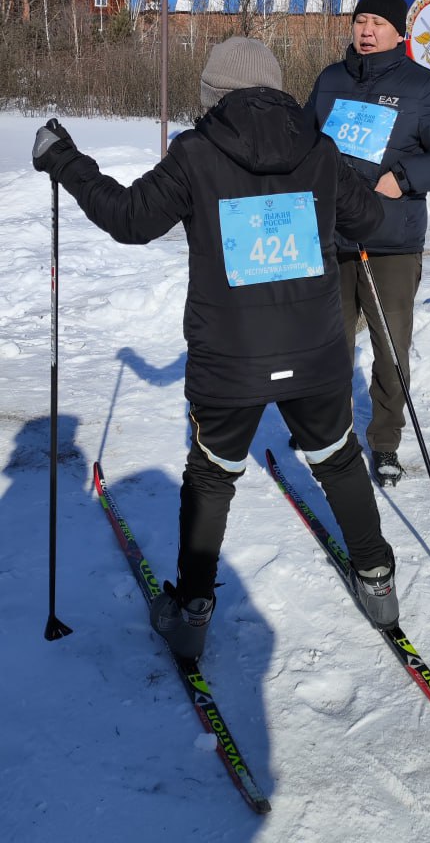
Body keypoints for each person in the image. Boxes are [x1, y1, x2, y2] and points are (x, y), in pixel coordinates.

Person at [32, 36, 399, 659]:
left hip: (230, 360)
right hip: (314, 353)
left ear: (213, 95)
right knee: (336, 458)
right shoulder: (319, 147)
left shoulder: (197, 151)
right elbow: (371, 222)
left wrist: (64, 160)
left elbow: (127, 218)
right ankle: (378, 581)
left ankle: (193, 612)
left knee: (210, 474)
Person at [306, 0, 430, 488]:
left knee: (389, 348)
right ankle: (329, 431)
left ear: (400, 32)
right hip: (332, 236)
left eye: (378, 23)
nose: (366, 30)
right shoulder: (330, 79)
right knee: (326, 341)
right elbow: (302, 138)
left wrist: (403, 178)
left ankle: (384, 441)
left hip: (390, 241)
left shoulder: (423, 86)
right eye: (361, 21)